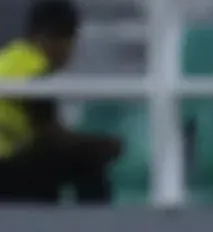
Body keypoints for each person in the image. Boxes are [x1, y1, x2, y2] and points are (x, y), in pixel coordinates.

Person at [0, 0, 122, 204]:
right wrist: (105, 145)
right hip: (5, 171)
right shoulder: (35, 72)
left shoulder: (9, 58)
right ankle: (98, 226)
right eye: (72, 42)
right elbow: (50, 135)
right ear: (57, 39)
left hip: (10, 160)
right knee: (87, 157)